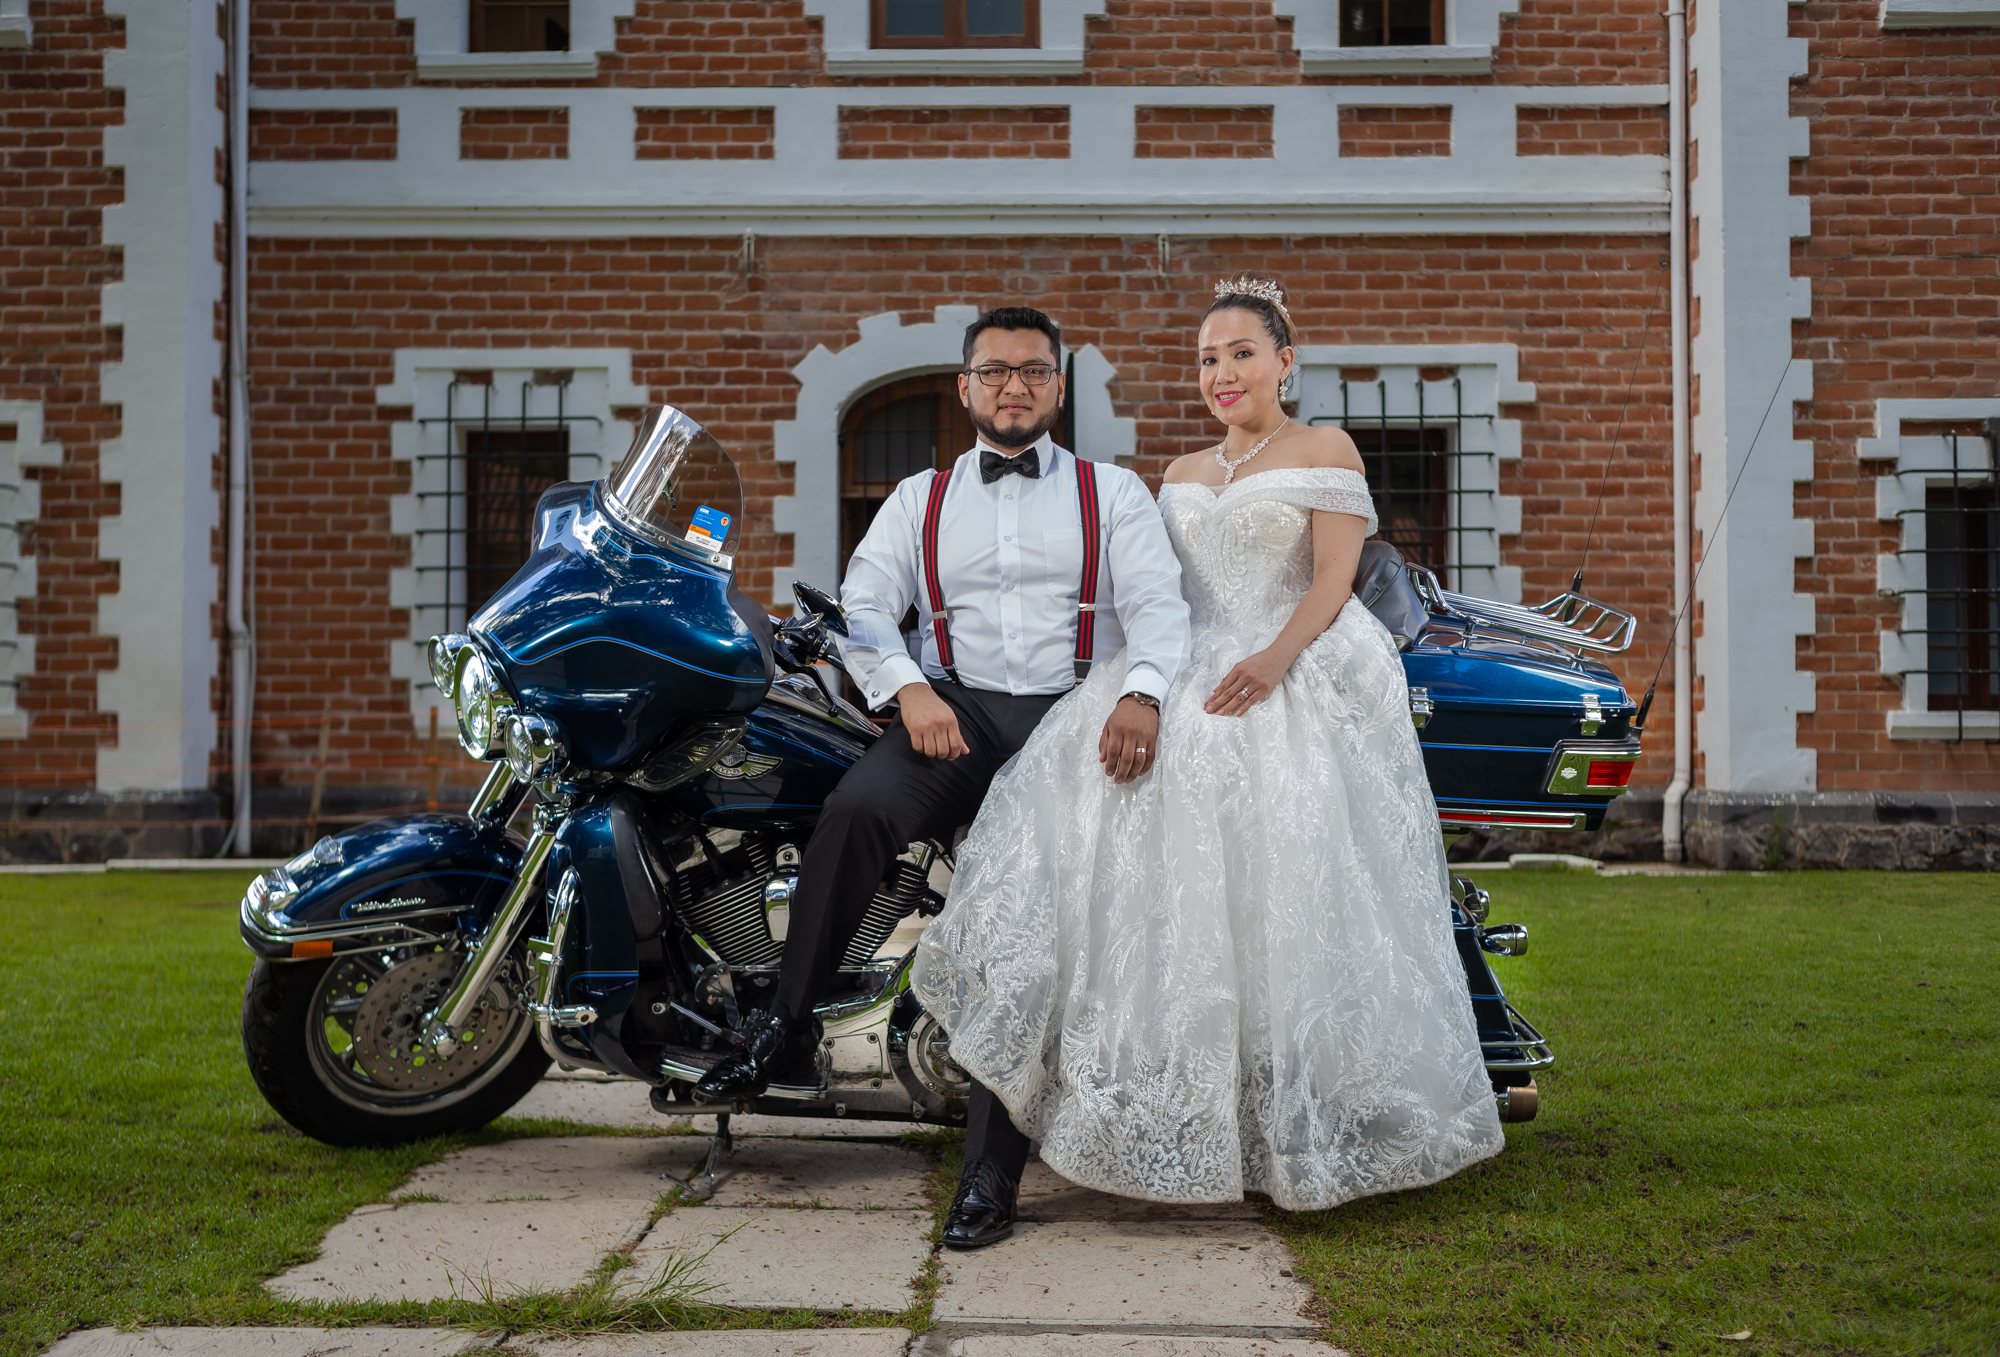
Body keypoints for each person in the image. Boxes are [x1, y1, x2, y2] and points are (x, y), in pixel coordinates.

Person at [911, 275, 1504, 1226]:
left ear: (1283, 361)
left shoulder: (1326, 448)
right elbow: (1159, 595)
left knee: (1276, 878)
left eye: (1240, 354)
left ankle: (1294, 1108)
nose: (1221, 373)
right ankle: (1126, 1076)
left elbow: (1336, 578)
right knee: (1096, 830)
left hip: (1288, 660)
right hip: (1185, 663)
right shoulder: (1180, 472)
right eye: (1207, 359)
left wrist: (1271, 661)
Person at [694, 305, 1193, 1248]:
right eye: (996, 371)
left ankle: (990, 1175)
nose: (1015, 386)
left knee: (1021, 914)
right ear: (966, 387)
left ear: (1057, 388)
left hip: (1067, 720)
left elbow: (1161, 612)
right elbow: (866, 607)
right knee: (853, 810)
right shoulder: (918, 499)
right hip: (952, 715)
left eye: (1035, 372)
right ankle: (782, 1024)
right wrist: (908, 688)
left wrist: (1143, 694)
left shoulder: (1113, 492)